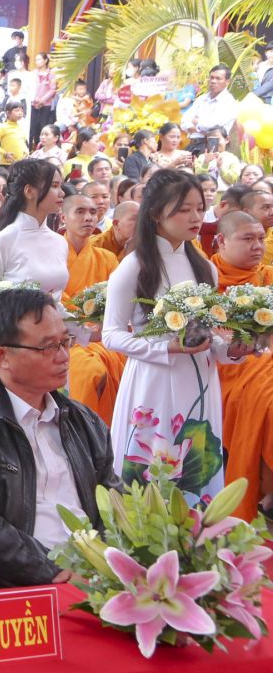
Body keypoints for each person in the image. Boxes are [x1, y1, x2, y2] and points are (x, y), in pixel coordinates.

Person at [0, 287, 120, 587]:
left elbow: (114, 502)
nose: (64, 357)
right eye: (48, 347)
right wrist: (56, 572)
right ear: (2, 356)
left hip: (95, 576)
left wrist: (109, 561)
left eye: (65, 341)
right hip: (20, 585)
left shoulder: (84, 422)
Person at [104, 170, 253, 506]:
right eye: (184, 209)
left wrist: (232, 349)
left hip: (200, 380)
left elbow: (208, 335)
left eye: (199, 208)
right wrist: (165, 347)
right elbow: (111, 334)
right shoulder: (134, 267)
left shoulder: (205, 267)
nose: (196, 217)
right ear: (156, 212)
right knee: (151, 472)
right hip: (154, 380)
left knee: (196, 465)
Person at [207, 211, 273, 519]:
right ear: (221, 240)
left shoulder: (268, 275)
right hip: (229, 365)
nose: (258, 246)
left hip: (264, 360)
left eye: (261, 238)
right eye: (248, 238)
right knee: (266, 403)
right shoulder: (205, 282)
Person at [62, 193, 126, 425]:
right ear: (63, 217)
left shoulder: (107, 258)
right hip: (64, 336)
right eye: (80, 212)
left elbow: (121, 300)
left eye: (92, 212)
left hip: (102, 336)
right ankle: (81, 428)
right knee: (89, 371)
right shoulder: (50, 256)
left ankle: (105, 432)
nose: (88, 217)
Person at [0, 158, 70, 297]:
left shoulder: (60, 241)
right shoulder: (3, 242)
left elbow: (57, 296)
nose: (62, 193)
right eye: (54, 186)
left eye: (60, 186)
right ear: (29, 191)